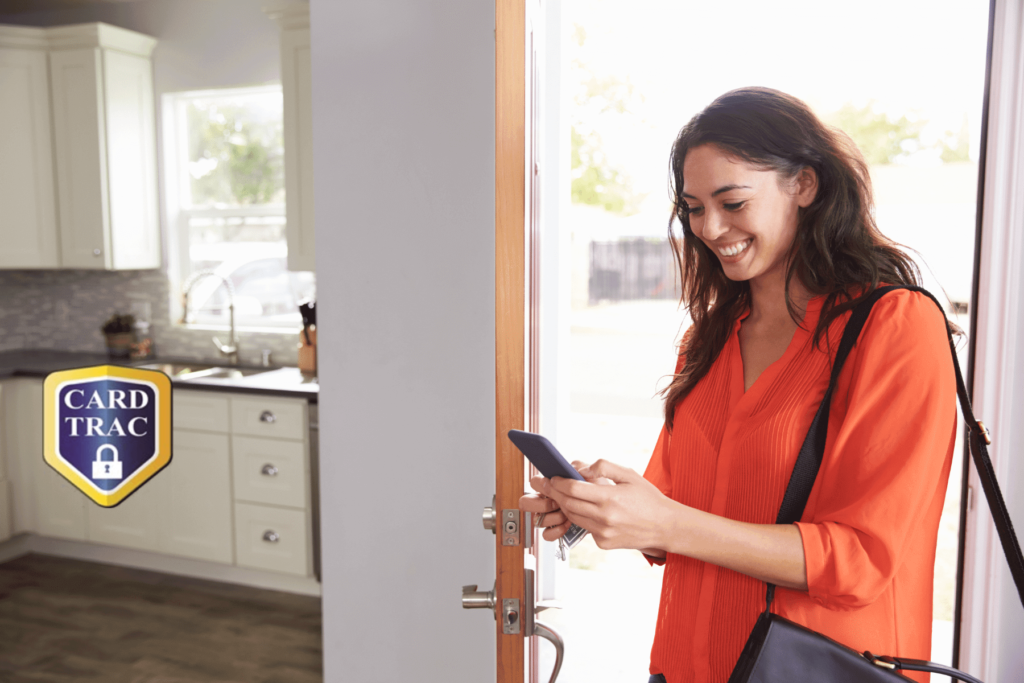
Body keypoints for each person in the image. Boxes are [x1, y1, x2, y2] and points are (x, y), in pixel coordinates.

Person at [519, 87, 957, 683]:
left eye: (732, 201)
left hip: (815, 669)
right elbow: (682, 516)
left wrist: (664, 521)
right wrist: (602, 503)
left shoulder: (895, 327)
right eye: (694, 208)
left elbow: (863, 559)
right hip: (684, 667)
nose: (710, 228)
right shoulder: (708, 341)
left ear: (804, 185)